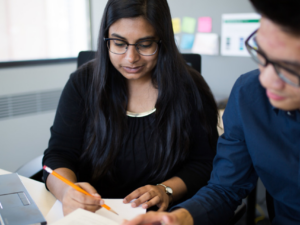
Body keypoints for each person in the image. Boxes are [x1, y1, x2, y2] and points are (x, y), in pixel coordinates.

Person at [122, 0, 300, 224]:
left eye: (289, 69)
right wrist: (179, 218)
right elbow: (225, 189)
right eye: (262, 54)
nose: (266, 79)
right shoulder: (249, 94)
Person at [42, 0, 219, 216]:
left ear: (163, 41)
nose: (131, 58)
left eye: (145, 45)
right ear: (106, 39)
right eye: (119, 43)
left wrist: (166, 190)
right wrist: (67, 191)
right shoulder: (83, 83)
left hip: (162, 216)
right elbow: (58, 155)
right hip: (94, 214)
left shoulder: (190, 88)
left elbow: (204, 163)